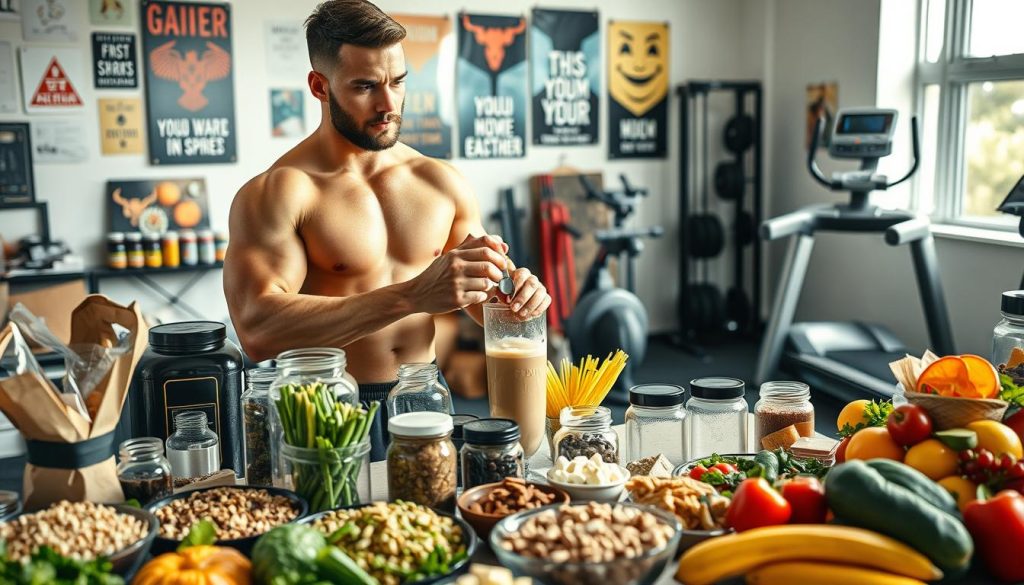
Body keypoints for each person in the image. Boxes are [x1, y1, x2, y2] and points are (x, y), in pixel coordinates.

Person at [223, 0, 551, 460]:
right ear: (320, 86)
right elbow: (257, 329)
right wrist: (411, 296)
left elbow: (485, 298)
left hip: (426, 393)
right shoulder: (280, 192)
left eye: (397, 82)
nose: (388, 104)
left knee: (431, 528)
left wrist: (515, 297)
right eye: (365, 86)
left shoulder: (439, 181)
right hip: (329, 404)